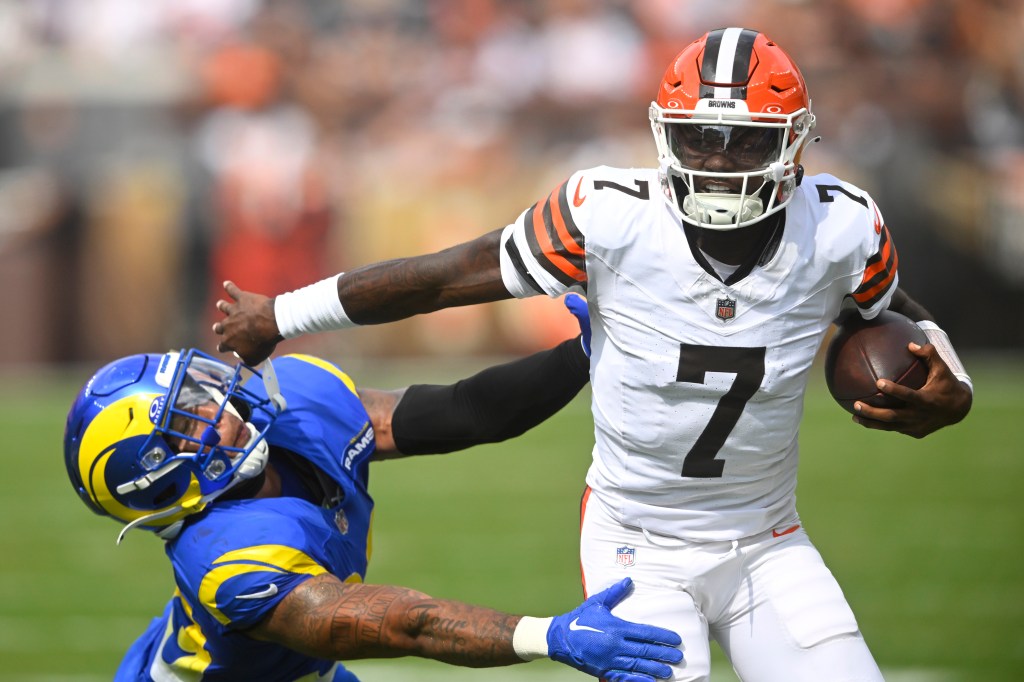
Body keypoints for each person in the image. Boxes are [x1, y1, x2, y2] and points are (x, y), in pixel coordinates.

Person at [212, 27, 974, 681]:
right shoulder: (608, 214)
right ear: (663, 133)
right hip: (637, 543)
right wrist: (281, 312)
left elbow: (888, 309)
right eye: (699, 137)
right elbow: (444, 277)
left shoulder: (841, 226)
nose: (718, 160)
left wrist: (953, 382)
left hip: (770, 540)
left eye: (744, 138)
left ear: (794, 141)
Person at [63, 330, 684, 681]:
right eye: (187, 421)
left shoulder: (290, 405)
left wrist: (590, 346)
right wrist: (545, 635)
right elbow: (401, 623)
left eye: (195, 391)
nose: (215, 406)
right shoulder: (227, 557)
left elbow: (467, 412)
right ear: (161, 483)